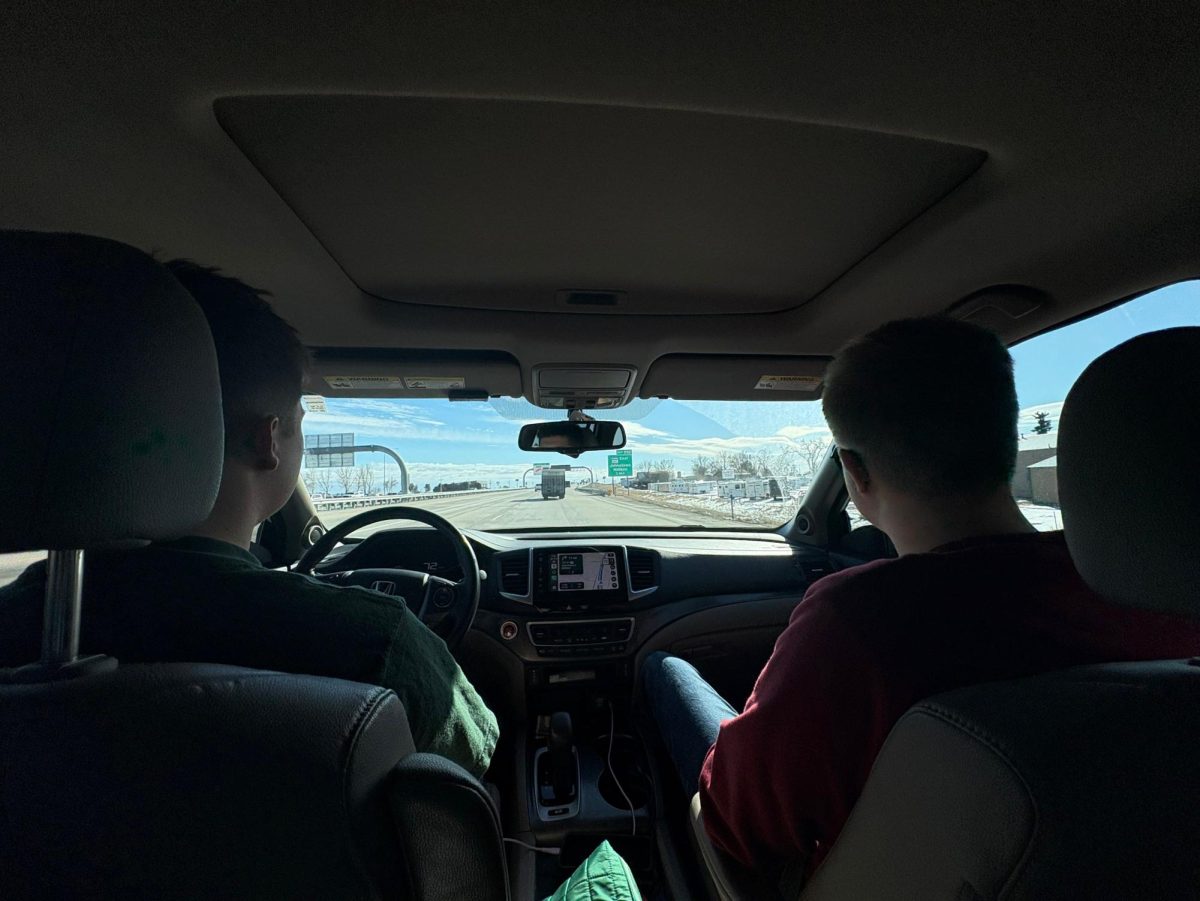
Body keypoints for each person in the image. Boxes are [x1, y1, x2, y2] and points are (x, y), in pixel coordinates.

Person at [641, 317, 1200, 886]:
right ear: (1003, 444)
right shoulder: (1163, 599)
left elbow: (738, 824)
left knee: (664, 669)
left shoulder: (856, 618)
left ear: (854, 473)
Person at [0, 261, 498, 778]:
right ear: (268, 440)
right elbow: (470, 773)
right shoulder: (375, 644)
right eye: (300, 423)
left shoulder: (16, 625)